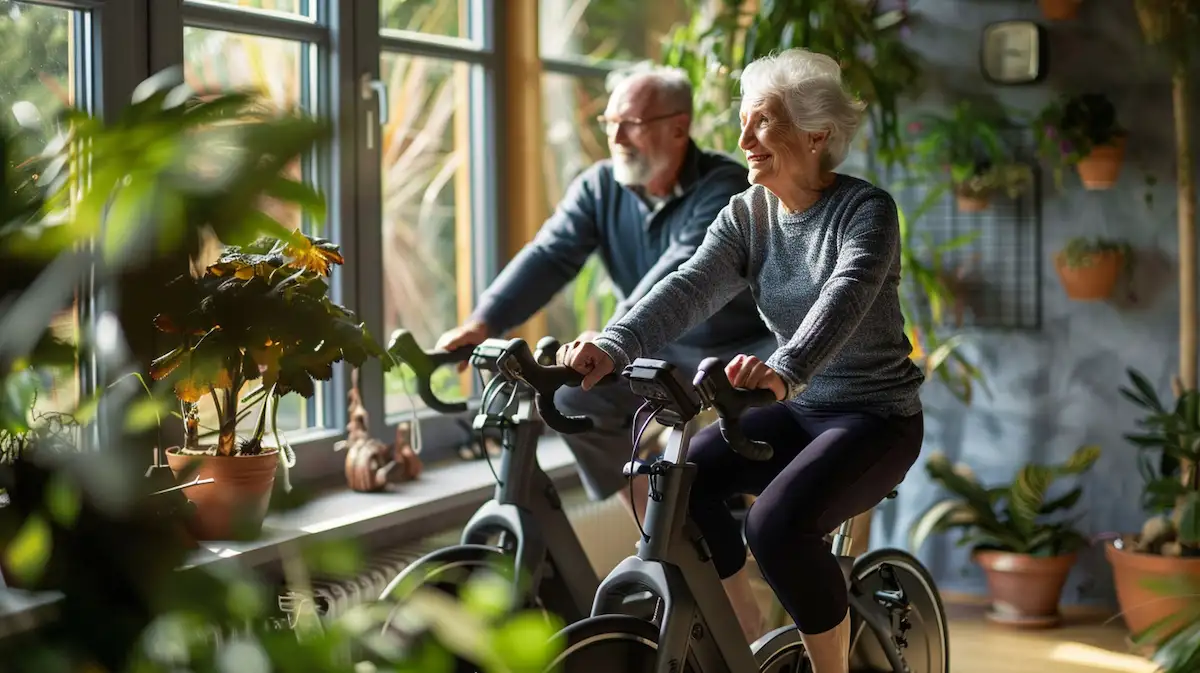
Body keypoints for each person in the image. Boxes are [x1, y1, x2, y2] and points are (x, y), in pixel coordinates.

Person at [556, 48, 926, 673]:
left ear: (815, 134)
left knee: (778, 526)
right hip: (800, 408)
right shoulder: (747, 215)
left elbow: (845, 297)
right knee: (666, 487)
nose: (743, 138)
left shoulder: (866, 212)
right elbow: (688, 286)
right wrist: (615, 344)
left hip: (874, 417)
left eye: (762, 122)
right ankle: (743, 629)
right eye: (744, 121)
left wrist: (785, 369)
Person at [435, 61, 775, 521]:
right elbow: (549, 255)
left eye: (630, 125)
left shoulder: (726, 188)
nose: (615, 139)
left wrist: (610, 340)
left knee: (763, 435)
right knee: (574, 397)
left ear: (679, 128)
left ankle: (729, 530)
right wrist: (484, 321)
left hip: (736, 351)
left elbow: (678, 273)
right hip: (656, 349)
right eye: (610, 123)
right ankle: (671, 528)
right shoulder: (599, 187)